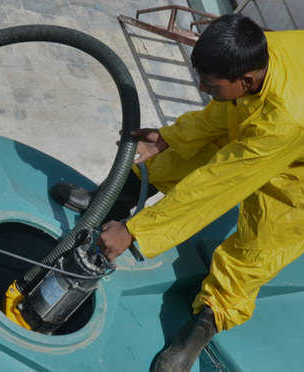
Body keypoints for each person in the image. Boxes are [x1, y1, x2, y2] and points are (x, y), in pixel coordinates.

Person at [51, 14, 304, 371]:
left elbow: (217, 187)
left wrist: (135, 232)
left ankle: (202, 326)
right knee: (191, 150)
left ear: (246, 80)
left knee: (257, 248)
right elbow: (225, 110)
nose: (203, 90)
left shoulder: (285, 118)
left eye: (210, 85)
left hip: (299, 173)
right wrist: (173, 137)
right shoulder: (261, 54)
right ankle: (108, 203)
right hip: (271, 122)